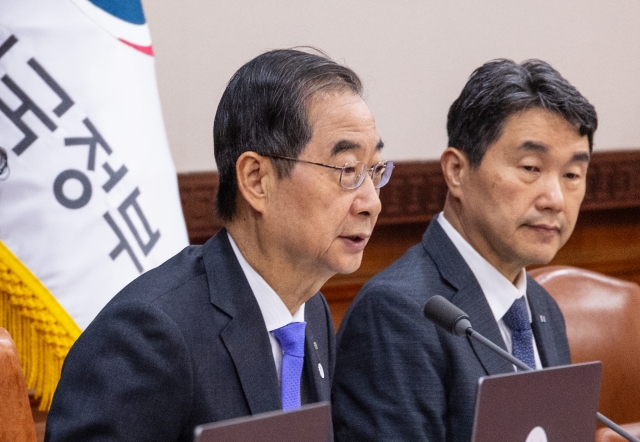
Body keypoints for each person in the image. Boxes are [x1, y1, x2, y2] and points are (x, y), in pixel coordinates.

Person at [45, 48, 393, 442]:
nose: (371, 202)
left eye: (376, 170)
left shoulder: (309, 310)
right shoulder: (149, 334)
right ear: (256, 179)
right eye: (347, 170)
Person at [332, 58, 597, 442]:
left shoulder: (542, 309)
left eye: (572, 175)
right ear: (456, 171)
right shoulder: (398, 312)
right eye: (530, 167)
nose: (555, 198)